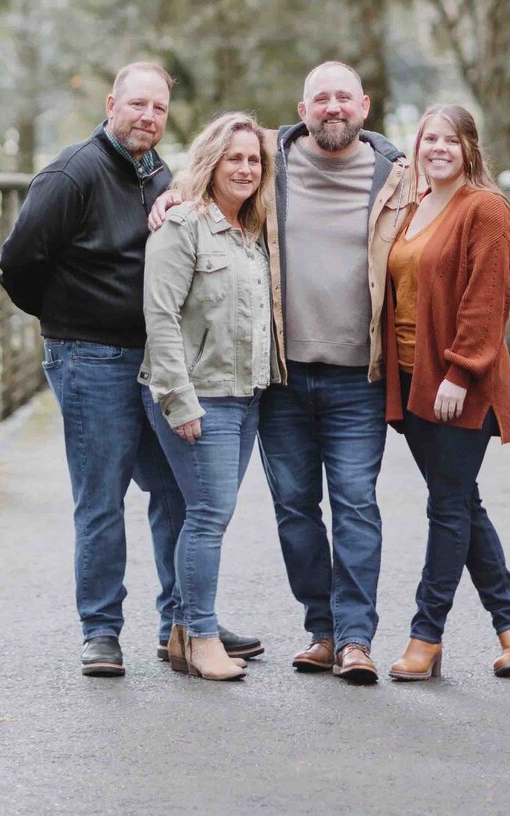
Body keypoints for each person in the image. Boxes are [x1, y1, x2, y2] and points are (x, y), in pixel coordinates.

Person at [0, 62, 262, 677]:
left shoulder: (159, 174)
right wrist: (69, 316)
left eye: (159, 109)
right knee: (101, 497)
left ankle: (183, 619)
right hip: (89, 358)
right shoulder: (74, 172)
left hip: (153, 361)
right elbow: (17, 263)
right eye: (137, 105)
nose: (148, 117)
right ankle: (101, 631)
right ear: (112, 103)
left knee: (173, 490)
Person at [151, 59, 406, 685]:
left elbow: (460, 188)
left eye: (344, 97)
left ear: (365, 106)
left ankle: (354, 639)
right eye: (320, 98)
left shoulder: (397, 175)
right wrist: (172, 194)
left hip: (358, 378)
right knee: (294, 508)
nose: (333, 108)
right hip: (283, 379)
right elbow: (219, 173)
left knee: (355, 504)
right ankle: (320, 630)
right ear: (301, 111)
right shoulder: (274, 165)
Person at [382, 104, 510, 684]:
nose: (438, 149)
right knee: (460, 502)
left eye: (450, 140)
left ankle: (426, 637)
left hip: (457, 384)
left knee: (447, 508)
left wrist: (459, 372)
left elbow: (485, 302)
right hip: (410, 378)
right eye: (429, 139)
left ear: (470, 148)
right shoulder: (414, 205)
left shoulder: (486, 210)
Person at [140, 113, 284, 681]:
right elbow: (161, 314)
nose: (246, 168)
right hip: (200, 397)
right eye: (235, 159)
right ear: (211, 163)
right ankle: (201, 638)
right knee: (207, 517)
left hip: (247, 396)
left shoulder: (256, 231)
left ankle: (182, 630)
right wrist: (179, 400)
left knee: (206, 515)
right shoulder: (183, 226)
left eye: (254, 159)